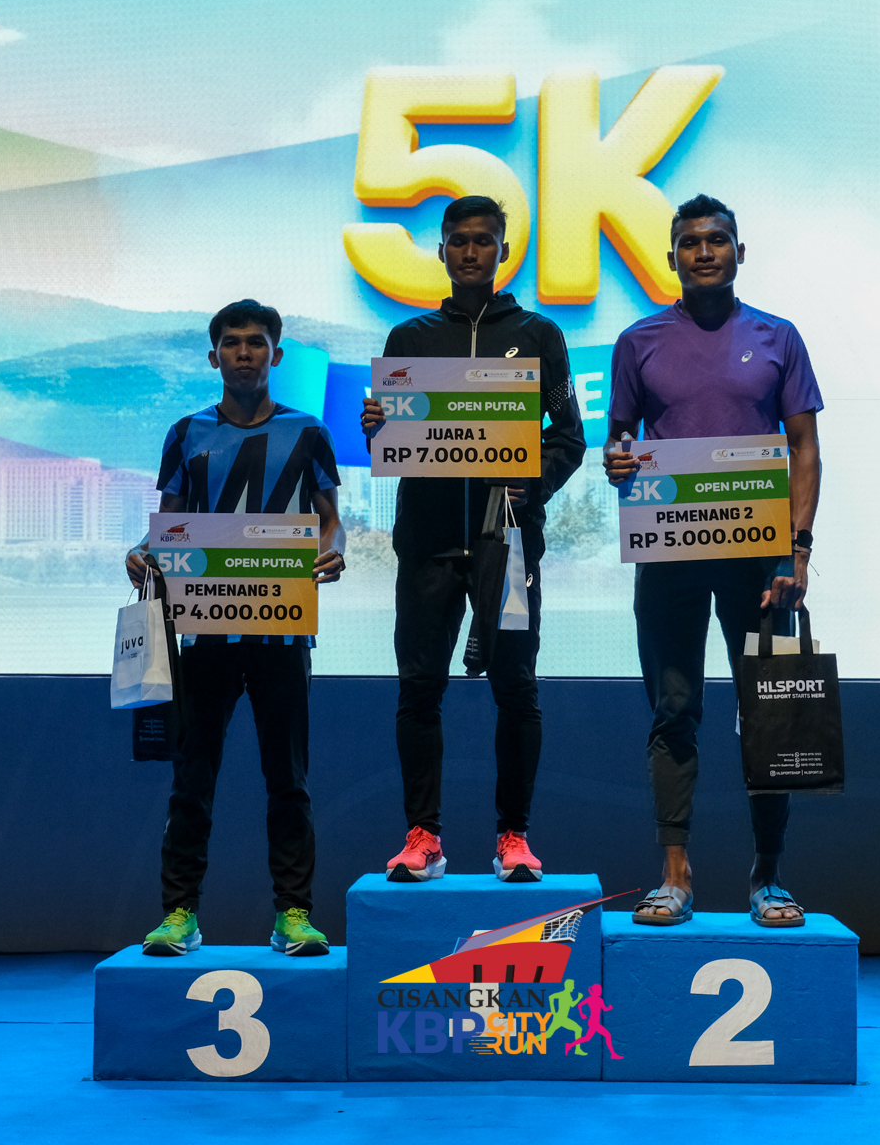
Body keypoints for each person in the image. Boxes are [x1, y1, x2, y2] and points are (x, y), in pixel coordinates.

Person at [603, 195, 822, 929]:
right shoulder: (638, 341)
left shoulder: (778, 336)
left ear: (738, 252)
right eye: (690, 242)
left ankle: (769, 879)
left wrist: (798, 550)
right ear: (672, 257)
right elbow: (620, 442)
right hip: (669, 556)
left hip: (763, 565)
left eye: (717, 240)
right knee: (673, 712)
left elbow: (804, 448)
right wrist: (617, 459)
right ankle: (676, 875)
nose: (704, 252)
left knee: (772, 714)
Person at [361, 195, 585, 883]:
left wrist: (531, 484)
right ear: (441, 251)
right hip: (426, 545)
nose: (469, 251)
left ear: (502, 251)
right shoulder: (409, 339)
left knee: (516, 689)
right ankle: (422, 837)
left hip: (507, 546)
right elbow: (392, 439)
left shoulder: (540, 335)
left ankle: (513, 838)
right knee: (418, 690)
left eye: (482, 240)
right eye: (458, 240)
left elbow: (569, 439)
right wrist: (379, 430)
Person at [124, 302, 345, 957]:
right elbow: (167, 526)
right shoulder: (186, 433)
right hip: (203, 637)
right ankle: (179, 916)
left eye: (255, 342)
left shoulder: (309, 432)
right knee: (192, 780)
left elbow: (330, 522)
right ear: (213, 355)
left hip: (283, 635)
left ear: (276, 354)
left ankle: (294, 916)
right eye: (231, 343)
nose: (243, 352)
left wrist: (331, 552)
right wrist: (139, 552)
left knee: (289, 782)